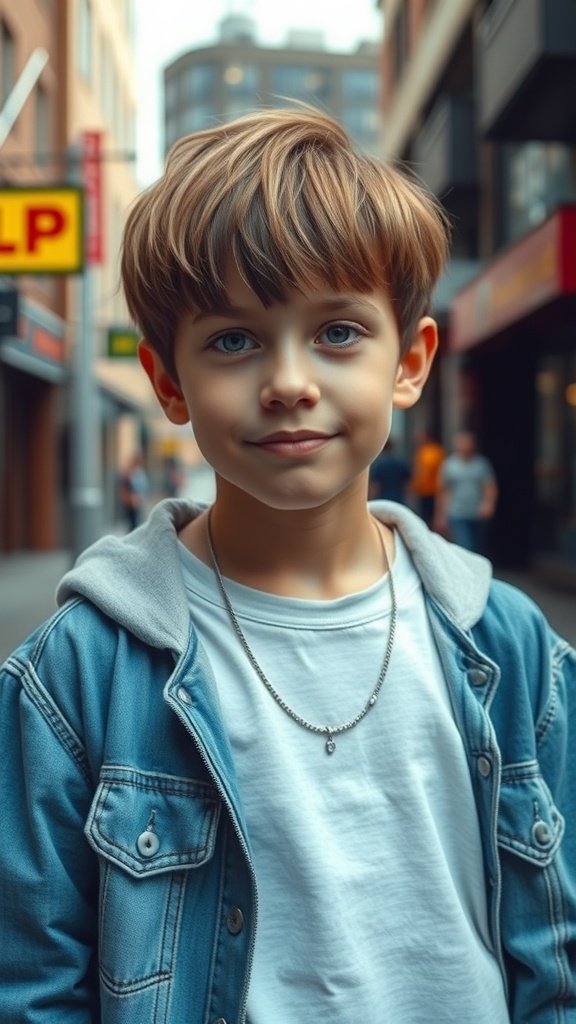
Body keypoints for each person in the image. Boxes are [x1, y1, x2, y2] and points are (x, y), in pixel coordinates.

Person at [0, 109, 574, 1024]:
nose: (290, 380)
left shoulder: (511, 648)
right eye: (234, 340)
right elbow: (34, 988)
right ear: (169, 382)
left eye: (339, 333)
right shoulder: (77, 677)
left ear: (410, 360)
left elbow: (557, 958)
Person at [436, 429, 498, 554]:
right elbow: (443, 491)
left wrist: (488, 504)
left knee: (478, 546)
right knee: (465, 545)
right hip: (457, 512)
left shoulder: (481, 464)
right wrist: (441, 515)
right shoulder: (449, 465)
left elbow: (489, 486)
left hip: (477, 512)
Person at [409, 428, 445, 525]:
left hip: (434, 489)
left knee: (432, 517)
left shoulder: (435, 451)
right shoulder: (421, 451)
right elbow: (417, 470)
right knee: (424, 517)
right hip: (422, 490)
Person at [368, 438, 411, 502]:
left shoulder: (378, 464)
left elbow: (375, 486)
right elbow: (407, 484)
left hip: (382, 499)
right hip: (398, 499)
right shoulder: (400, 462)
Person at [117, 452, 149, 530]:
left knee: (136, 521)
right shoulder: (129, 473)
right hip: (131, 501)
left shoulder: (139, 472)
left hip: (137, 501)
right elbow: (125, 488)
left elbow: (143, 487)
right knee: (132, 523)